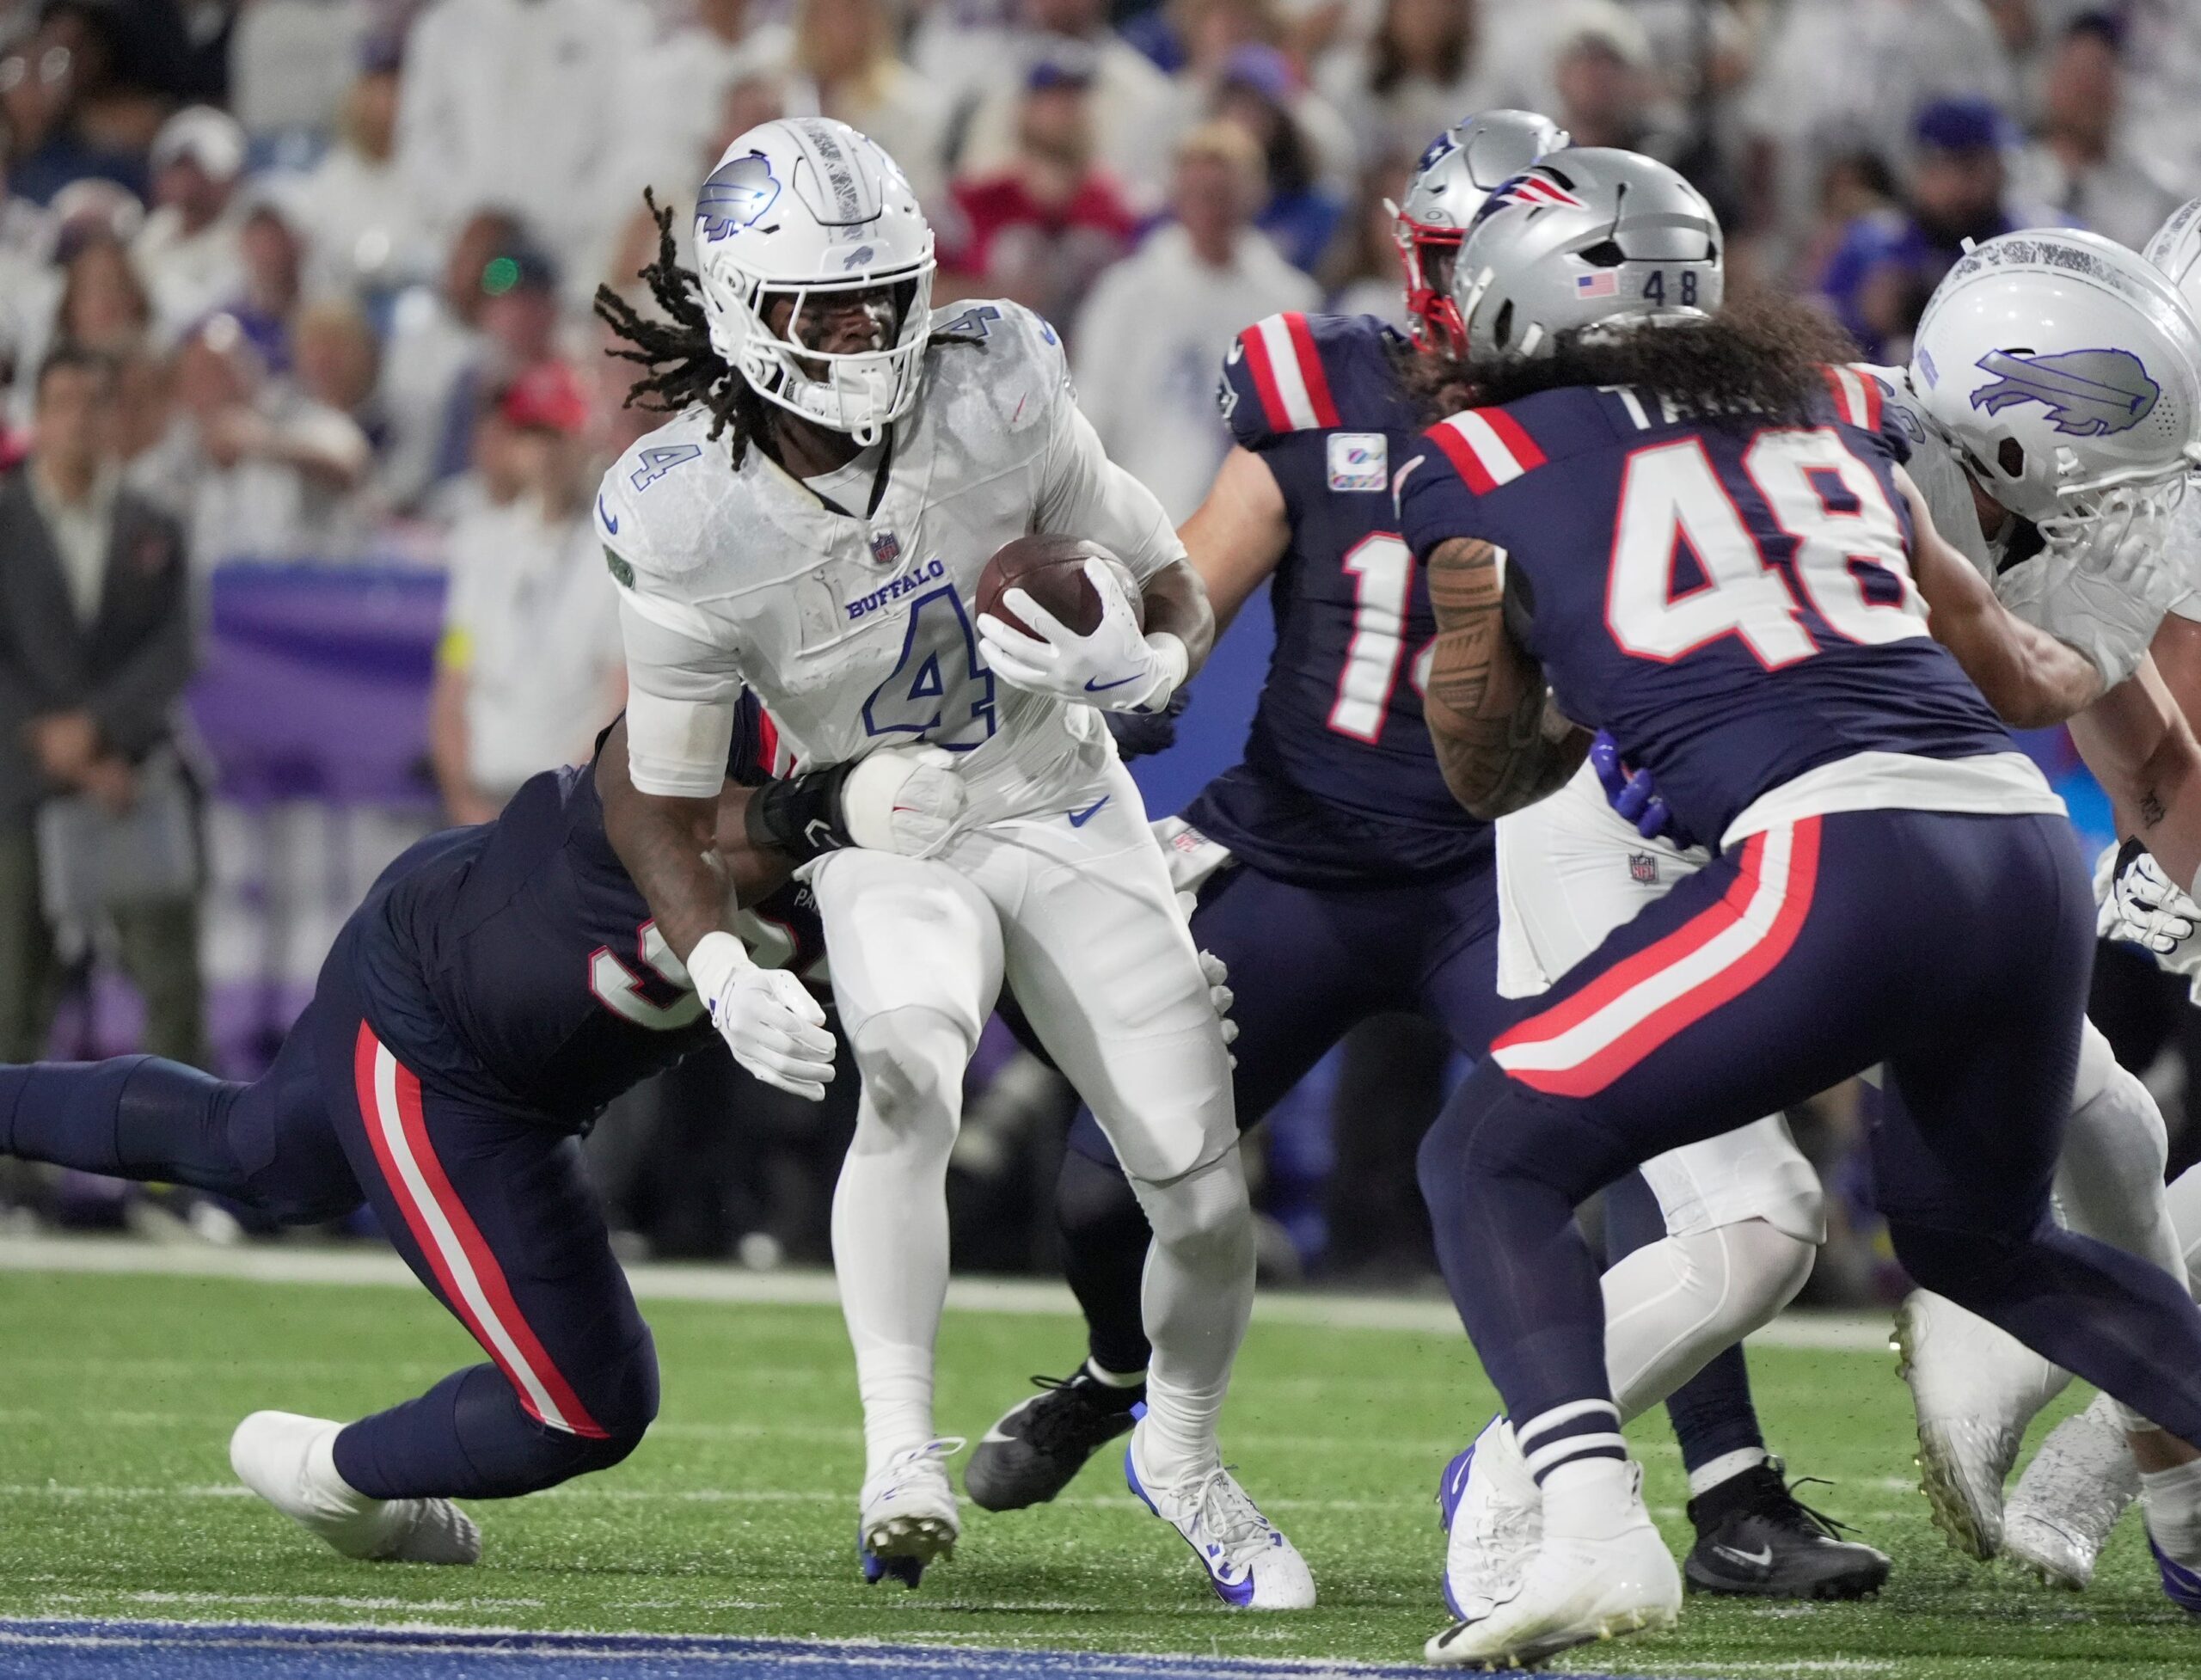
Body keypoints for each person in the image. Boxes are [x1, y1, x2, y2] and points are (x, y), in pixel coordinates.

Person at [965, 113, 1887, 1608]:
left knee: (1658, 1140)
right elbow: (1204, 572)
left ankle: (1732, 1486)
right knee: (1103, 1179)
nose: (1481, 290)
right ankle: (1109, 1373)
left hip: (1502, 864)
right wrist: (1142, 651)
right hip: (1303, 848)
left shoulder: (1614, 416)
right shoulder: (1323, 377)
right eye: (1459, 259)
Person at [1398, 146, 2201, 1667]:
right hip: (1963, 846)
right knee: (1880, 1235)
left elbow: (1490, 763)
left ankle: (1587, 1519)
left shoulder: (1501, 460)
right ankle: (1539, 1489)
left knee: (1489, 1151)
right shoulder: (1838, 414)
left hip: (1822, 848)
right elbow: (2026, 681)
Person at [590, 117, 1307, 1605]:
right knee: (911, 1069)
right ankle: (896, 1451)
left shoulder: (997, 384)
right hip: (889, 822)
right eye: (825, 305)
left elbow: (1168, 576)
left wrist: (1145, 660)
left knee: (1207, 1192)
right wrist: (722, 964)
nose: (867, 329)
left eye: (883, 290)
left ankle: (1178, 1448)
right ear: (741, 311)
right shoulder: (686, 510)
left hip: (1058, 788)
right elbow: (659, 801)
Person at [0, 708, 875, 1560]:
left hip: (507, 1039)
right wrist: (822, 810)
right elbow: (660, 814)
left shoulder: (949, 827)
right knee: (585, 1402)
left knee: (264, 1156)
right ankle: (330, 1477)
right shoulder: (732, 702)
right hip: (445, 1036)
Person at [0, 345, 201, 1068]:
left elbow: (176, 649)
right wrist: (53, 744)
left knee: (170, 987)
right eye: (64, 405)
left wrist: (98, 734)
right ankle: (13, 1172)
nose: (81, 421)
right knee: (12, 993)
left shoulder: (154, 523)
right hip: (19, 785)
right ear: (39, 417)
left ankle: (171, 1172)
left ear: (118, 414)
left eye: (96, 403)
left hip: (131, 778)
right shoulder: (6, 517)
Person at [1071, 121, 1317, 522]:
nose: (1210, 207)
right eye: (1197, 194)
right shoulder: (1127, 292)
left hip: (1248, 521)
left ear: (1254, 195)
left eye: (1223, 194)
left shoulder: (1289, 301)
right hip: (1139, 506)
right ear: (1176, 197)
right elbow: (1094, 406)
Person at [430, 364, 625, 823]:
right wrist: (461, 797)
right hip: (486, 798)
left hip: (570, 805)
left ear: (584, 440)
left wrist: (562, 804)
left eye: (557, 434)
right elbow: (453, 682)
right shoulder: (479, 544)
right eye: (532, 435)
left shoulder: (616, 550)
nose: (544, 453)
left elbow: (623, 697)